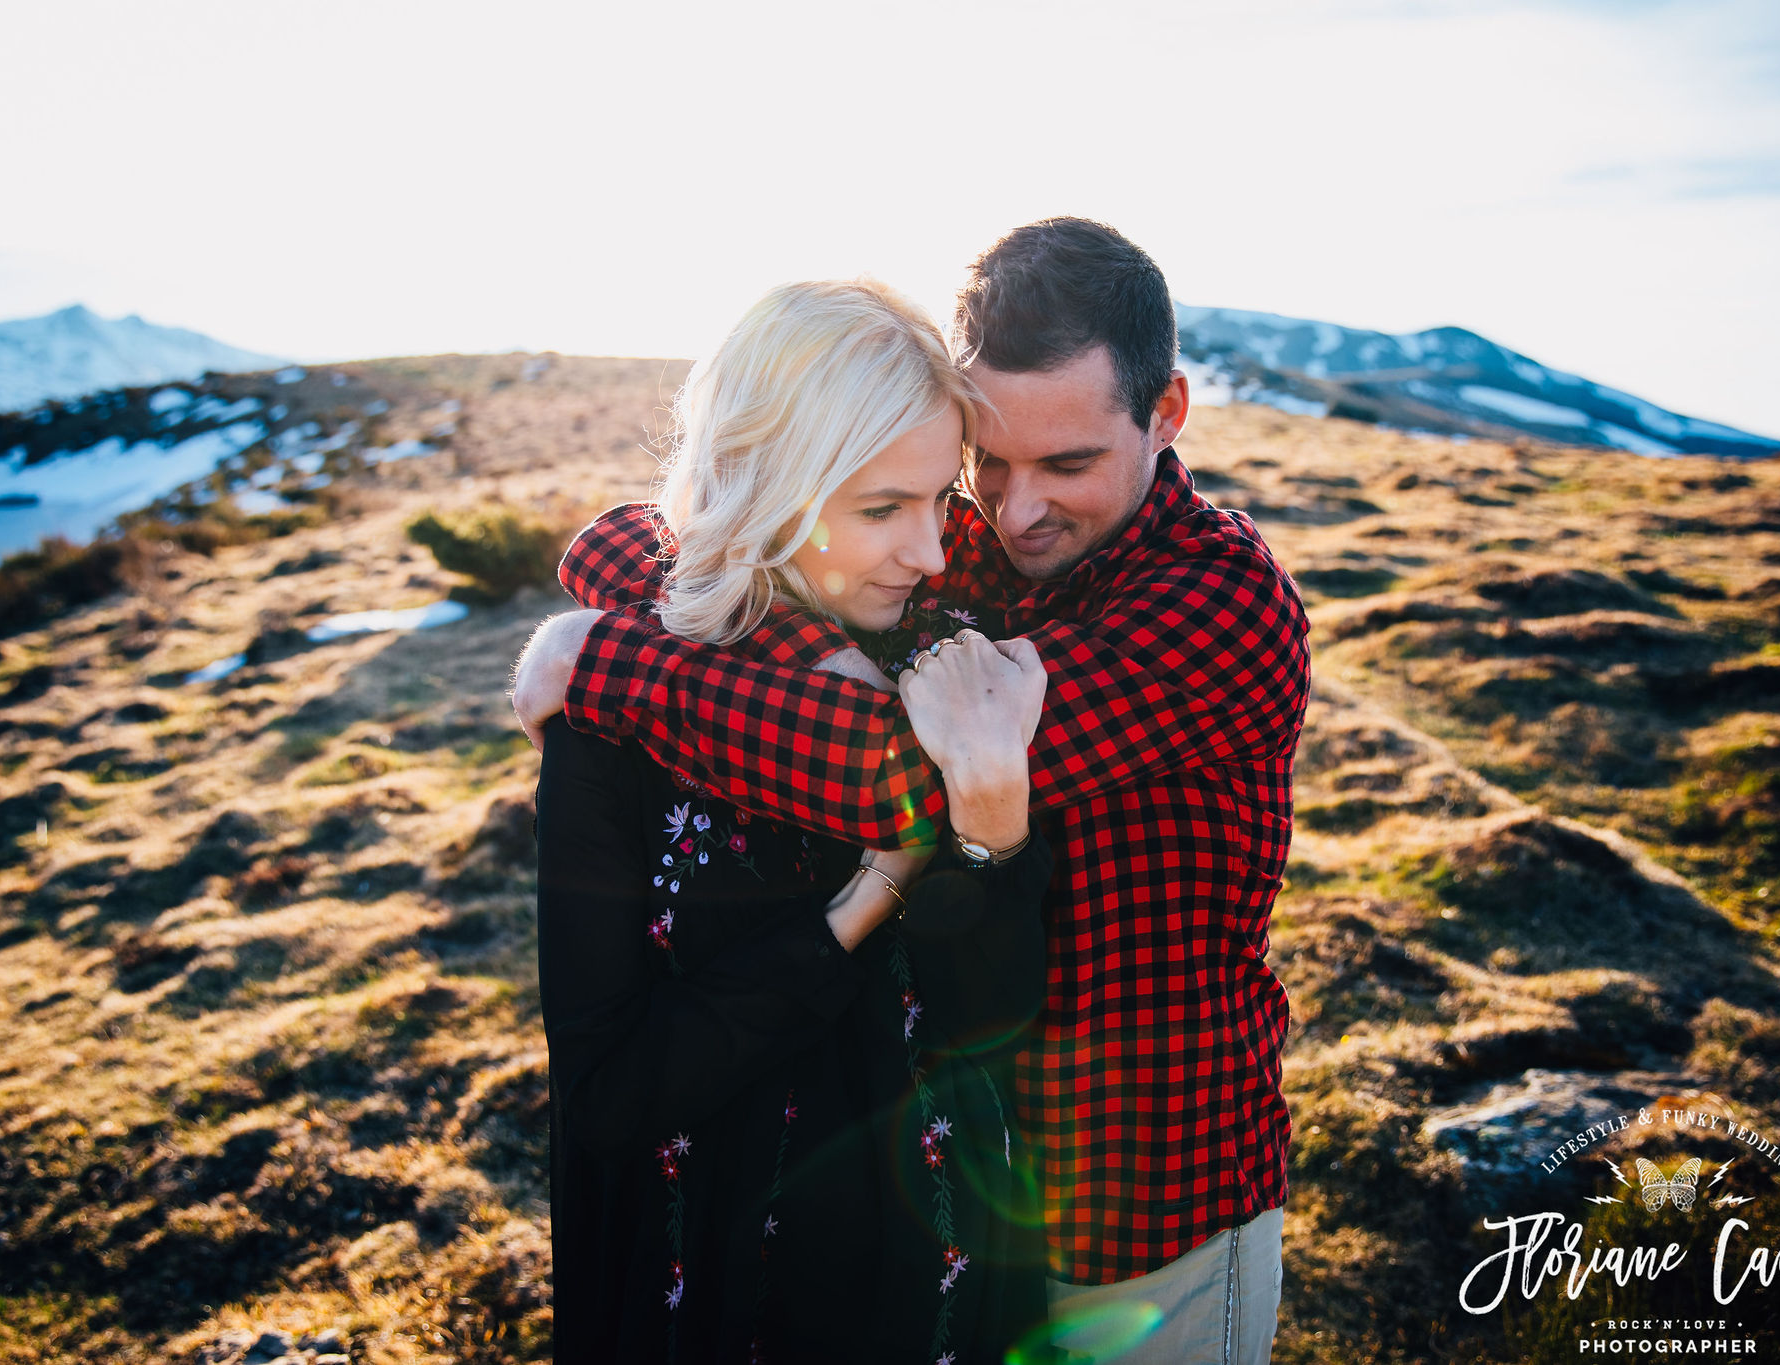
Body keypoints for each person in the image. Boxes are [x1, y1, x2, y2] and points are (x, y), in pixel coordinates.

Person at [515, 219, 1312, 1364]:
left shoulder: (1217, 606)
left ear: (1166, 414)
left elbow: (890, 772)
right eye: (986, 464)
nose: (1014, 509)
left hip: (1143, 1187)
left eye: (1068, 465)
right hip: (971, 1181)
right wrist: (682, 599)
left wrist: (605, 660)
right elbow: (655, 539)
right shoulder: (972, 538)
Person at [532, 278, 1057, 1365]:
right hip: (714, 1290)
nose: (926, 552)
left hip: (939, 1280)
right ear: (769, 488)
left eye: (934, 501)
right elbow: (608, 1094)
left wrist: (992, 820)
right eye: (879, 509)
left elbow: (991, 1017)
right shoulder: (612, 732)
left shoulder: (938, 667)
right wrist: (857, 909)